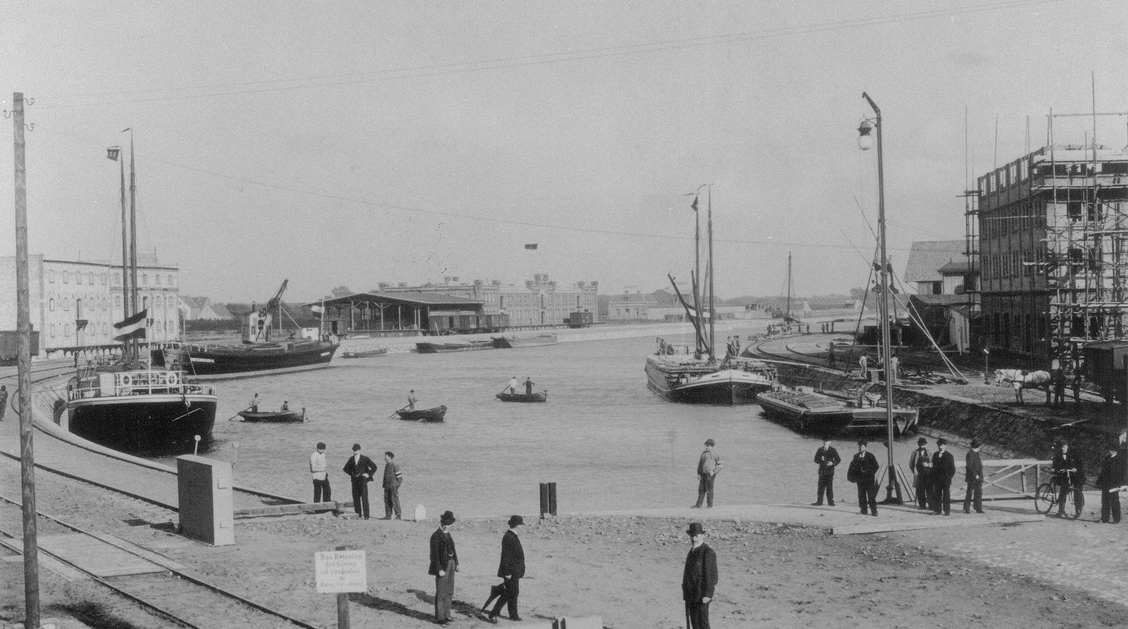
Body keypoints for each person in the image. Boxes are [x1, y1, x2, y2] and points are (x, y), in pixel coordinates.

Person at [486, 515, 526, 623]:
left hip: (514, 570)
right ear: (517, 525)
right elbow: (506, 556)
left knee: (513, 592)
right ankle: (494, 613)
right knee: (509, 592)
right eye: (520, 525)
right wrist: (507, 572)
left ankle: (513, 614)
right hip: (510, 571)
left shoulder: (511, 535)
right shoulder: (509, 536)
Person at [682, 521, 718, 629]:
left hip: (702, 596)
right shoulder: (692, 551)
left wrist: (707, 594)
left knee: (703, 624)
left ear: (702, 536)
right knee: (695, 624)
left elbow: (712, 576)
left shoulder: (707, 552)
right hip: (691, 595)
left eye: (696, 536)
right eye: (692, 536)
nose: (694, 539)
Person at [429, 510, 459, 625]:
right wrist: (439, 569)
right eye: (447, 524)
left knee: (450, 591)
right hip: (442, 566)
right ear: (442, 523)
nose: (449, 526)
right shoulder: (436, 536)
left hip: (451, 564)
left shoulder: (448, 534)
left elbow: (453, 550)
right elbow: (434, 555)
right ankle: (440, 617)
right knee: (441, 592)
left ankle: (447, 614)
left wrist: (456, 563)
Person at [342, 444, 377, 520]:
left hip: (363, 481)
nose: (356, 451)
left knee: (364, 498)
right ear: (353, 450)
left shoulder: (365, 458)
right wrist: (352, 474)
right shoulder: (351, 459)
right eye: (354, 450)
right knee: (356, 498)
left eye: (357, 450)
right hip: (354, 481)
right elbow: (345, 469)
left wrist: (368, 474)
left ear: (360, 450)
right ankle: (358, 515)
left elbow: (374, 467)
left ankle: (366, 516)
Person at [846, 440, 879, 516]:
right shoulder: (856, 456)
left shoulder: (870, 456)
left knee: (871, 496)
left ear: (866, 448)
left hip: (869, 480)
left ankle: (874, 511)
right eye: (860, 447)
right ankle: (863, 510)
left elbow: (876, 466)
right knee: (861, 496)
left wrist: (870, 473)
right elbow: (852, 466)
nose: (861, 448)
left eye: (862, 447)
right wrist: (852, 477)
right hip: (860, 479)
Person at [1052, 441, 1084, 518]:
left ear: (1067, 446)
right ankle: (1061, 511)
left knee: (1077, 492)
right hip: (1066, 475)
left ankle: (1078, 510)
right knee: (1063, 492)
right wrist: (1054, 469)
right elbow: (1055, 464)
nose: (1062, 449)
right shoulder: (1058, 455)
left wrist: (1075, 468)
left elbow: (1081, 464)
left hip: (1076, 475)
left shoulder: (1073, 453)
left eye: (1064, 447)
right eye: (1061, 447)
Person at [1097, 442, 1122, 524]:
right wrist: (1099, 481)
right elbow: (1103, 471)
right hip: (1105, 483)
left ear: (1113, 450)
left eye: (1109, 450)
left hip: (1114, 484)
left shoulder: (1119, 459)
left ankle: (1116, 519)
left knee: (1114, 501)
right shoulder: (1107, 458)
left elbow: (1121, 473)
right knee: (1104, 501)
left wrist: (1119, 485)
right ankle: (1104, 518)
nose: (1108, 452)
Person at [693, 439, 721, 508]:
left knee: (709, 490)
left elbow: (720, 465)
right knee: (701, 489)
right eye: (706, 445)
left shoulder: (715, 454)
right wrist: (699, 473)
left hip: (710, 475)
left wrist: (714, 472)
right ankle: (698, 505)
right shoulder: (703, 454)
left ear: (712, 446)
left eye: (708, 446)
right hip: (703, 474)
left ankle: (710, 505)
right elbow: (700, 464)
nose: (706, 447)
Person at [812, 438, 840, 506]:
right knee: (820, 487)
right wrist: (820, 460)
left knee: (829, 487)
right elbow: (815, 460)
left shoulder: (833, 450)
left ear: (830, 442)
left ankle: (830, 502)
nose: (825, 442)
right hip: (822, 471)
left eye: (827, 441)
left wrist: (832, 463)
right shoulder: (820, 449)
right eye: (824, 441)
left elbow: (838, 459)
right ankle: (819, 501)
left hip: (830, 471)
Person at [931, 438, 956, 515]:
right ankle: (937, 510)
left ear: (945, 446)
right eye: (938, 445)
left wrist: (948, 477)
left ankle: (947, 511)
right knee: (937, 495)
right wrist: (933, 477)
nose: (940, 446)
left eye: (941, 445)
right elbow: (933, 467)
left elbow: (952, 469)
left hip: (946, 479)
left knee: (946, 496)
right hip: (937, 479)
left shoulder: (949, 456)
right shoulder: (935, 455)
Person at [908, 437, 932, 510]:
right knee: (920, 490)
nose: (922, 445)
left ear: (925, 444)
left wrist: (928, 465)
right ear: (918, 444)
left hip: (928, 473)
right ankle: (922, 505)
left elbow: (932, 462)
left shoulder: (929, 451)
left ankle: (931, 505)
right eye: (920, 444)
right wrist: (915, 472)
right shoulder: (915, 452)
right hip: (919, 473)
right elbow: (911, 464)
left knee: (929, 490)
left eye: (923, 444)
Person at [964, 439, 985, 514]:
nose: (980, 448)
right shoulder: (970, 454)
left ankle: (978, 508)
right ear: (978, 446)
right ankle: (967, 509)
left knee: (978, 492)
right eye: (979, 446)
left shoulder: (976, 453)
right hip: (972, 477)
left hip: (978, 476)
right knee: (969, 492)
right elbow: (969, 466)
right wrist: (975, 474)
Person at [381, 451, 402, 520]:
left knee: (395, 500)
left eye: (385, 456)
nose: (384, 457)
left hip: (393, 486)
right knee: (387, 500)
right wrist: (384, 484)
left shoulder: (394, 464)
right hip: (387, 486)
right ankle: (388, 515)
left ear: (390, 457)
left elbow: (399, 477)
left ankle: (398, 515)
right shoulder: (387, 464)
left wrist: (397, 485)